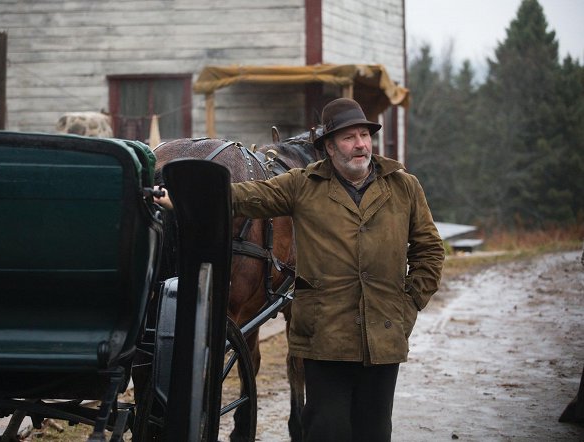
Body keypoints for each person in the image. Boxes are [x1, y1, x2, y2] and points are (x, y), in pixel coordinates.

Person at [155, 97, 444, 441]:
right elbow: (246, 196)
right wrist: (183, 198)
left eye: (364, 136)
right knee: (325, 430)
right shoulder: (303, 184)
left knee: (374, 431)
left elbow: (430, 251)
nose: (360, 145)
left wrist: (408, 306)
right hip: (324, 337)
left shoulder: (403, 187)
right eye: (349, 138)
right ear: (329, 147)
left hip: (382, 335)